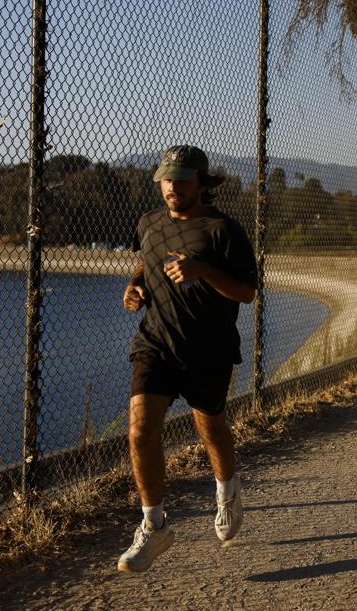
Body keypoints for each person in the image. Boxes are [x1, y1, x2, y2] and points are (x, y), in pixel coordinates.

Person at [118, 145, 257, 573]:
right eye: (166, 179)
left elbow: (246, 292)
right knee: (141, 429)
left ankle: (227, 492)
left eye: (180, 179)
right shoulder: (149, 223)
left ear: (201, 182)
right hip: (155, 343)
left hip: (208, 348)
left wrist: (202, 271)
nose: (172, 187)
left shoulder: (222, 230)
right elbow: (146, 262)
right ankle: (154, 525)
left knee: (210, 427)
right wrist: (135, 287)